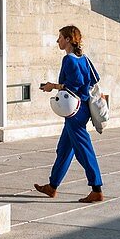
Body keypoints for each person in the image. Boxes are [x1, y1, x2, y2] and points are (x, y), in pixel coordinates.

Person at [34, 25, 105, 203]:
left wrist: (52, 86)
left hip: (75, 111)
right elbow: (92, 79)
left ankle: (96, 189)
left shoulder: (69, 60)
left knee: (84, 150)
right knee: (64, 149)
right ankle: (52, 186)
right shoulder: (83, 58)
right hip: (80, 109)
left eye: (60, 38)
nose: (57, 41)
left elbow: (75, 84)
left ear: (67, 40)